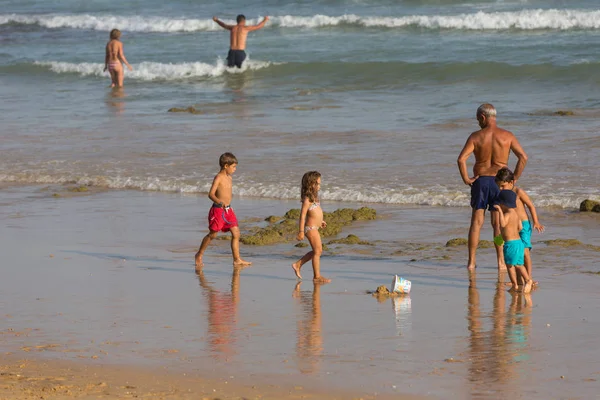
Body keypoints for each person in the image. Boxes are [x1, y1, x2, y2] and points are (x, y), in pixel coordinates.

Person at [457, 103, 528, 271]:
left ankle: (471, 262)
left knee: (476, 223)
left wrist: (466, 179)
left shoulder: (476, 137)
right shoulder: (507, 136)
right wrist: (514, 179)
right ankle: (501, 261)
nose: (478, 123)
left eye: (478, 120)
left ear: (483, 117)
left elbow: (461, 159)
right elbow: (523, 157)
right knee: (497, 225)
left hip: (480, 182)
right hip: (499, 183)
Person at [195, 152, 252, 269]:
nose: (235, 169)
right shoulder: (218, 177)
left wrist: (228, 205)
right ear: (226, 166)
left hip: (228, 210)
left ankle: (237, 260)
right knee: (213, 235)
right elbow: (210, 194)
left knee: (236, 233)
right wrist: (218, 201)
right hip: (217, 210)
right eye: (234, 167)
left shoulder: (229, 177)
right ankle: (199, 254)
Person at [495, 167, 545, 284]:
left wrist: (536, 221)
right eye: (499, 186)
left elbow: (530, 206)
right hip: (511, 225)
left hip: (524, 225)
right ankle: (518, 281)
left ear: (511, 182)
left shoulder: (518, 192)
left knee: (525, 253)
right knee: (516, 254)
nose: (500, 189)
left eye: (503, 186)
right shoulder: (502, 195)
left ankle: (529, 279)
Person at [292, 171, 331, 284]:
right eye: (317, 184)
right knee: (318, 251)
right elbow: (303, 215)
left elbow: (315, 212)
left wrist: (321, 221)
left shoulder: (314, 197)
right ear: (311, 184)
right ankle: (316, 276)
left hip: (315, 227)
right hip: (310, 229)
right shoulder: (307, 199)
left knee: (316, 251)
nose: (319, 186)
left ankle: (298, 264)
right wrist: (301, 231)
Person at [493, 190, 533, 293]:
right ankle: (528, 280)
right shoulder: (515, 213)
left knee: (510, 266)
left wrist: (499, 212)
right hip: (519, 243)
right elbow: (520, 228)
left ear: (503, 204)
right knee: (519, 264)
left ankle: (515, 285)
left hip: (511, 244)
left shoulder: (507, 214)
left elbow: (502, 224)